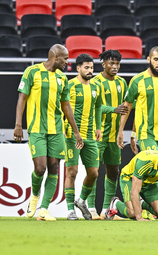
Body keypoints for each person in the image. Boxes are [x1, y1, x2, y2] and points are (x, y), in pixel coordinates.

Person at [13, 44, 83, 221]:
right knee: (40, 167)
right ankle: (34, 196)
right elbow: (22, 98)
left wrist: (76, 132)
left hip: (56, 130)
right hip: (36, 128)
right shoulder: (32, 72)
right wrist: (18, 125)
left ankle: (44, 209)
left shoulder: (62, 78)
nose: (67, 62)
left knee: (53, 168)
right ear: (55, 57)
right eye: (65, 58)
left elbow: (66, 105)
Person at [87, 50, 128, 220]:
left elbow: (125, 107)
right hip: (97, 134)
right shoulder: (95, 82)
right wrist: (113, 109)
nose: (115, 67)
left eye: (117, 63)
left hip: (114, 136)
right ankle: (90, 209)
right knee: (93, 171)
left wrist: (121, 132)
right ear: (103, 64)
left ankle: (106, 211)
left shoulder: (122, 82)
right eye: (111, 63)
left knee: (113, 172)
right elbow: (94, 107)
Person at [64, 54, 102, 220]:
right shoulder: (70, 85)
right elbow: (63, 108)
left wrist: (99, 126)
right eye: (86, 67)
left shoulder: (95, 87)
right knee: (72, 172)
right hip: (72, 135)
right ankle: (70, 210)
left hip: (90, 136)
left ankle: (81, 200)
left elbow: (99, 106)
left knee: (94, 173)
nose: (90, 71)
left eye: (92, 68)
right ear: (78, 68)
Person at [107, 150, 158, 221]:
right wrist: (139, 217)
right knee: (133, 213)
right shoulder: (145, 162)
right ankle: (116, 203)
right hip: (129, 179)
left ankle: (141, 203)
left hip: (150, 183)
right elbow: (135, 192)